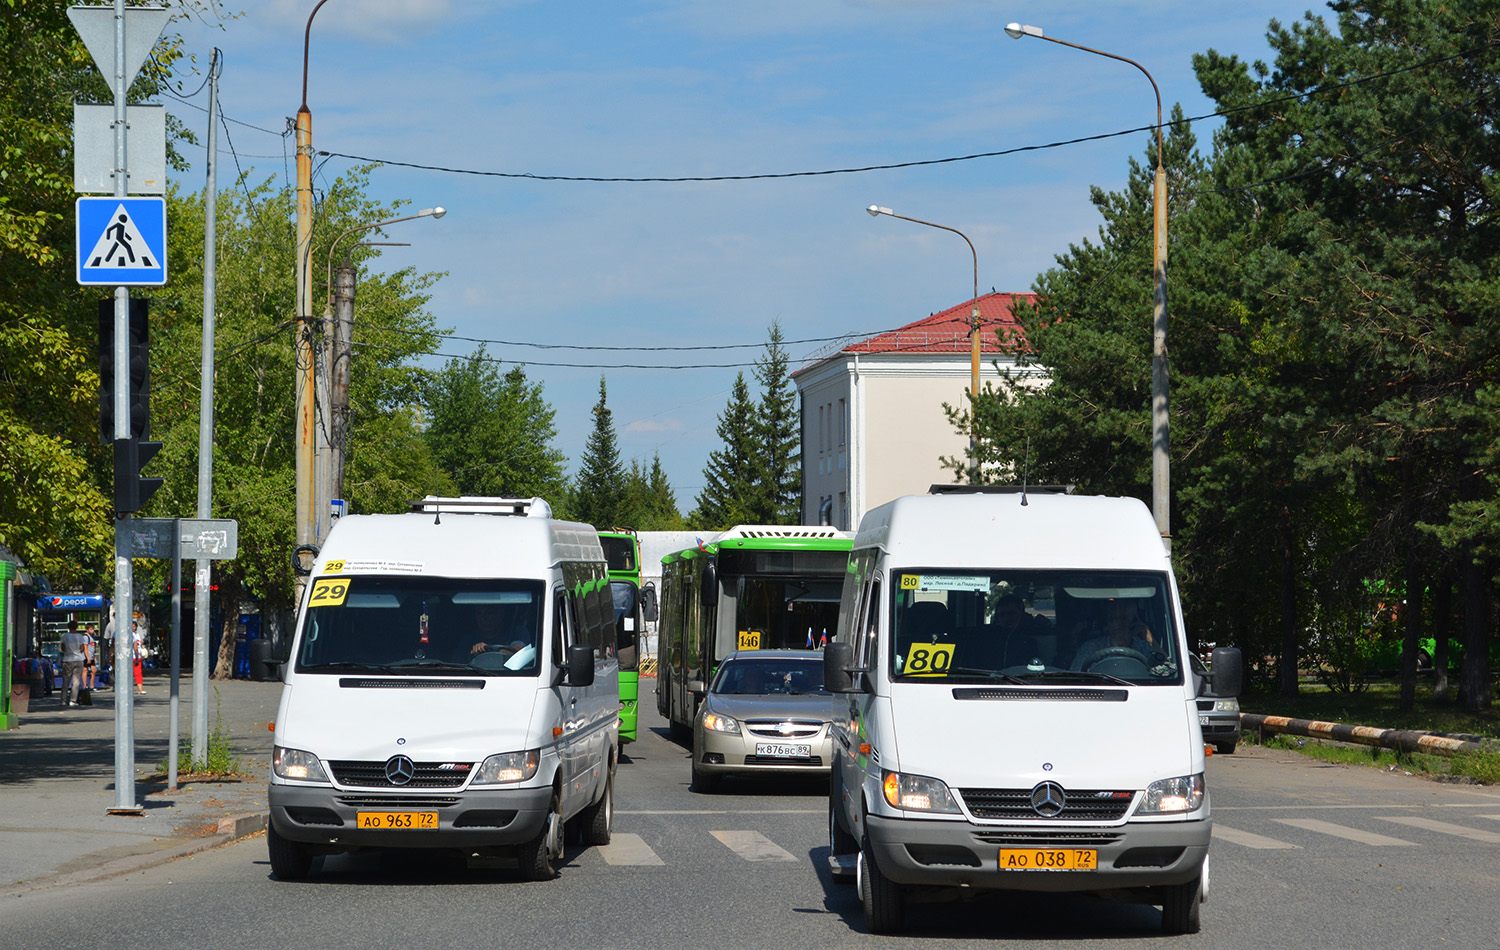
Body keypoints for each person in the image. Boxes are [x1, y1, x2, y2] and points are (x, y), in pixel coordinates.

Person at [1070, 599, 1156, 670]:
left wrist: (1152, 641)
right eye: (1116, 618)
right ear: (1108, 623)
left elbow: (1166, 670)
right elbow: (1074, 678)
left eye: (1125, 618)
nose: (1120, 623)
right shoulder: (1090, 647)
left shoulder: (1144, 647)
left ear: (1135, 623)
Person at [990, 594, 1054, 667]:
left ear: (1022, 614)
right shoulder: (991, 640)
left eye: (1011, 614)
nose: (1006, 618)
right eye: (1002, 615)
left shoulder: (1032, 638)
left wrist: (1045, 627)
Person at [60, 620, 90, 708]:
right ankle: (73, 700)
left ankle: (63, 700)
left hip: (67, 659)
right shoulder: (80, 636)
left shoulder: (64, 636)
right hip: (78, 659)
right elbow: (82, 648)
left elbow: (62, 648)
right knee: (76, 681)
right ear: (76, 627)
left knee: (66, 680)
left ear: (68, 627)